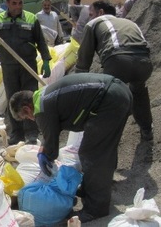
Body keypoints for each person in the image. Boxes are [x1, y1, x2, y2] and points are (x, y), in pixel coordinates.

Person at [9, 73, 132, 223]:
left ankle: (96, 209)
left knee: (92, 154)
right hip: (118, 92)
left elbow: (52, 147)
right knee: (103, 149)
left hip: (107, 101)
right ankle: (94, 188)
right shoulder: (43, 95)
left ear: (27, 109)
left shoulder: (40, 108)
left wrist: (45, 155)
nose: (30, 119)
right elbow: (50, 136)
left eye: (26, 117)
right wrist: (45, 149)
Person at [75, 0, 154, 141]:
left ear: (100, 12)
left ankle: (107, 139)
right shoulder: (129, 22)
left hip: (118, 61)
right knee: (139, 91)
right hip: (144, 63)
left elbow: (84, 57)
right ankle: (147, 130)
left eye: (91, 14)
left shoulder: (94, 23)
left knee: (109, 98)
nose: (90, 17)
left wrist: (79, 81)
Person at [0, 0, 52, 145]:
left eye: (20, 3)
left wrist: (46, 60)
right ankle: (16, 134)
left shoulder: (31, 19)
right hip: (8, 66)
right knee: (13, 99)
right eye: (14, 3)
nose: (18, 6)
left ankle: (32, 133)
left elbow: (41, 41)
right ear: (7, 4)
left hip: (28, 65)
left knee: (30, 99)